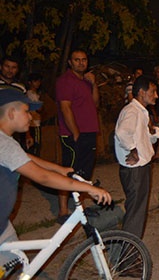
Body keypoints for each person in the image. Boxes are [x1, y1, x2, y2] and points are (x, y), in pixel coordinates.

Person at [0, 89, 111, 267]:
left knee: (16, 261)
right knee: (13, 264)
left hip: (3, 225)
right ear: (12, 113)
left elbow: (26, 158)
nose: (31, 117)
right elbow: (42, 177)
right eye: (27, 111)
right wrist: (89, 188)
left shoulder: (6, 141)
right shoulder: (4, 144)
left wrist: (60, 169)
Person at [56, 50, 100, 224]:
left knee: (83, 172)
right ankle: (63, 211)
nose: (81, 63)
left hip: (89, 132)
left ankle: (79, 208)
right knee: (69, 171)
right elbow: (65, 108)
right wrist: (75, 133)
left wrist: (94, 84)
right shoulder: (65, 81)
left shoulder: (86, 81)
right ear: (70, 62)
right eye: (77, 60)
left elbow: (96, 103)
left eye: (84, 59)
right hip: (73, 134)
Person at [114, 76, 159, 238]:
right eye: (153, 92)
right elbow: (122, 133)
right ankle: (129, 257)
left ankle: (131, 252)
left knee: (137, 211)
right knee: (136, 214)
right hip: (135, 170)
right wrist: (133, 150)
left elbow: (144, 137)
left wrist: (153, 131)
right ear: (141, 92)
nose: (156, 95)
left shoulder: (141, 111)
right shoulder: (132, 111)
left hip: (142, 167)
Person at [26, 73, 44, 156]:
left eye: (38, 81)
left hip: (35, 122)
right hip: (34, 123)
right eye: (35, 81)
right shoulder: (30, 94)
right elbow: (38, 108)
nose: (37, 83)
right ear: (30, 82)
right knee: (35, 145)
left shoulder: (35, 94)